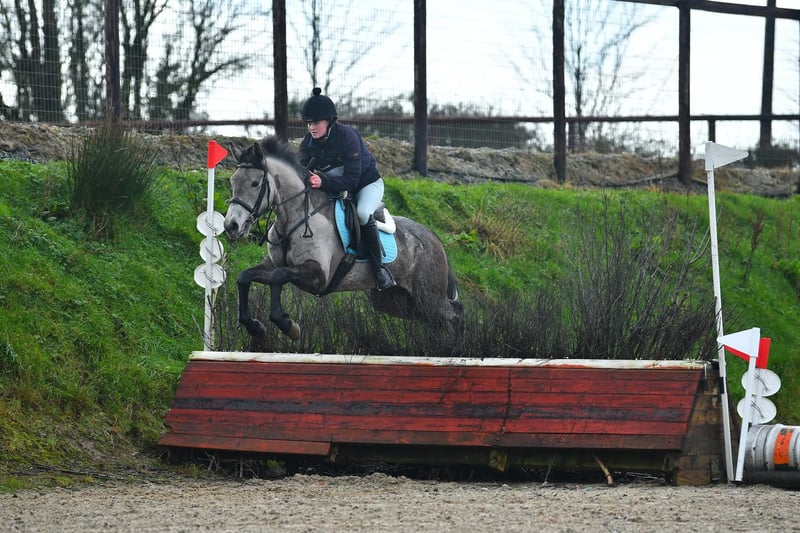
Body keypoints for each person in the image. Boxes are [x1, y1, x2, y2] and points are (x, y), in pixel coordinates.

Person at [298, 87, 397, 291]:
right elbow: (302, 173)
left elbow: (352, 180)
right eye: (309, 123)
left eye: (316, 123)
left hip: (365, 184)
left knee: (362, 213)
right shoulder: (308, 142)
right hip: (336, 188)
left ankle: (379, 269)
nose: (311, 128)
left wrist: (323, 182)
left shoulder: (348, 136)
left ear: (329, 121)